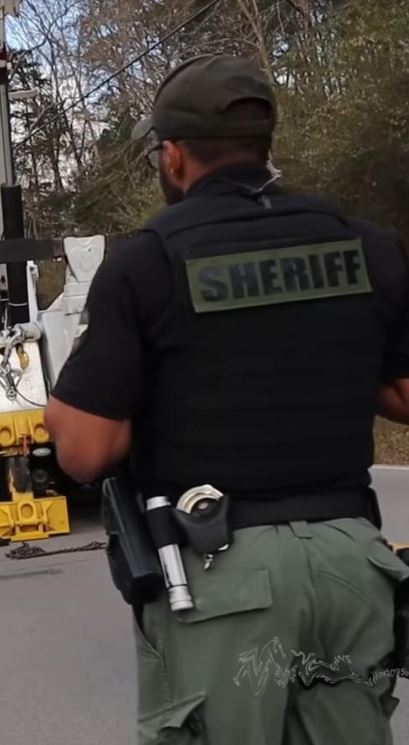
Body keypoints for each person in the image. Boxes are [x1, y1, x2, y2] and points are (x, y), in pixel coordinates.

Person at [43, 54, 409, 745]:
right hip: (353, 564)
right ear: (265, 145)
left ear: (172, 155)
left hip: (220, 571)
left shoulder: (147, 260)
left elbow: (87, 451)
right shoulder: (364, 245)